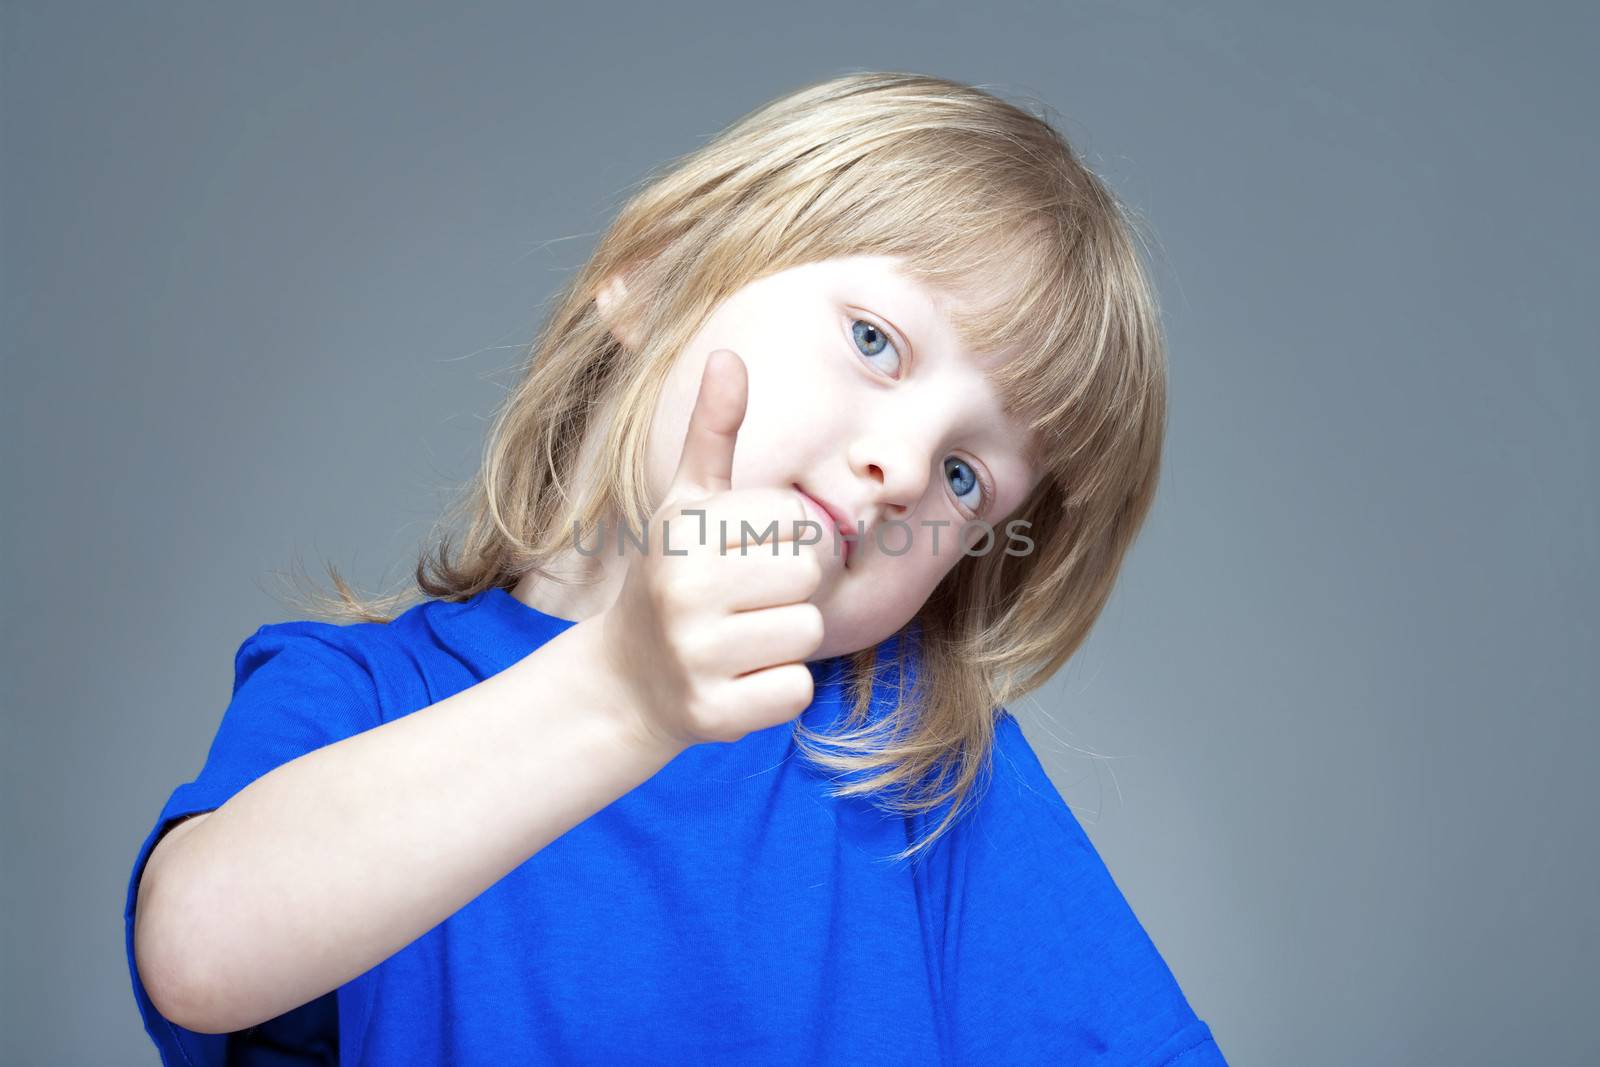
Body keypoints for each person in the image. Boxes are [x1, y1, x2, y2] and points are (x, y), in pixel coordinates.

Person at [125, 71, 1228, 1065]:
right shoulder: (358, 698)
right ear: (649, 278)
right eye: (875, 342)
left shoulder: (915, 769)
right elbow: (195, 949)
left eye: (964, 475)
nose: (901, 469)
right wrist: (620, 691)